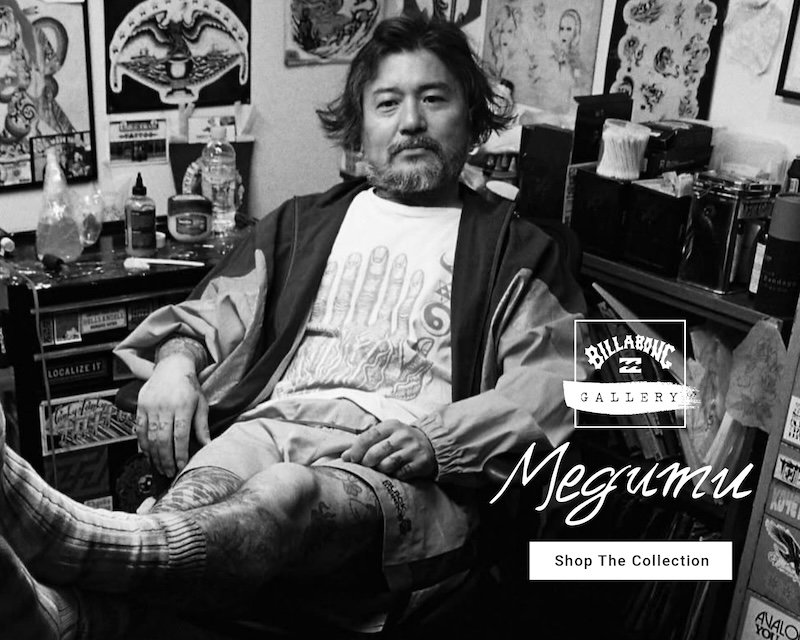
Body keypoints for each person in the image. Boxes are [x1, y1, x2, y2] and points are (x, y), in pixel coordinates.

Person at [0, 13, 586, 639]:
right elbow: (210, 315)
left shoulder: (516, 250)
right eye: (388, 103)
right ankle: (67, 620)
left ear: (470, 118)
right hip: (272, 423)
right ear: (360, 129)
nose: (411, 121)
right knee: (196, 498)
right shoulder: (301, 225)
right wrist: (175, 363)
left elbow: (555, 384)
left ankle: (65, 548)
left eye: (434, 98)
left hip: (397, 460)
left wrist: (440, 441)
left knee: (285, 494)